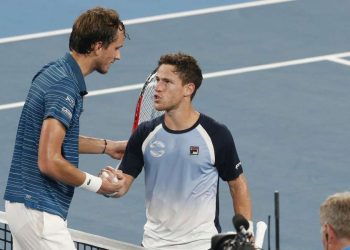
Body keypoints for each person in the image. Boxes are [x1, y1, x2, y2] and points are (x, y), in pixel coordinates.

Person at [3, 7, 128, 250]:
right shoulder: (65, 86)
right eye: (116, 48)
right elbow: (49, 161)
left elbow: (57, 139)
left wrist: (107, 146)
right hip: (38, 210)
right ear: (98, 46)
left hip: (23, 207)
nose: (118, 56)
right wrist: (97, 184)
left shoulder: (54, 71)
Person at [109, 52, 253, 250]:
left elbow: (237, 185)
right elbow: (122, 185)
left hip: (200, 244)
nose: (157, 88)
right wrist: (110, 183)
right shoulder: (145, 133)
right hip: (153, 244)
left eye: (167, 82)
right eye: (158, 80)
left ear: (188, 89)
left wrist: (246, 234)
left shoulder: (216, 134)